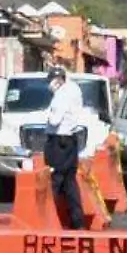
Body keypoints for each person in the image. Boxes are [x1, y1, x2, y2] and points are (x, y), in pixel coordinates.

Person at [42, 65, 87, 230]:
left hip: (59, 142)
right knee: (70, 183)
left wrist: (45, 115)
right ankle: (78, 222)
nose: (50, 84)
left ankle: (48, 220)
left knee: (54, 182)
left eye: (51, 81)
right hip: (71, 140)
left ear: (58, 80)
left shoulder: (61, 95)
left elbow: (54, 120)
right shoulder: (75, 89)